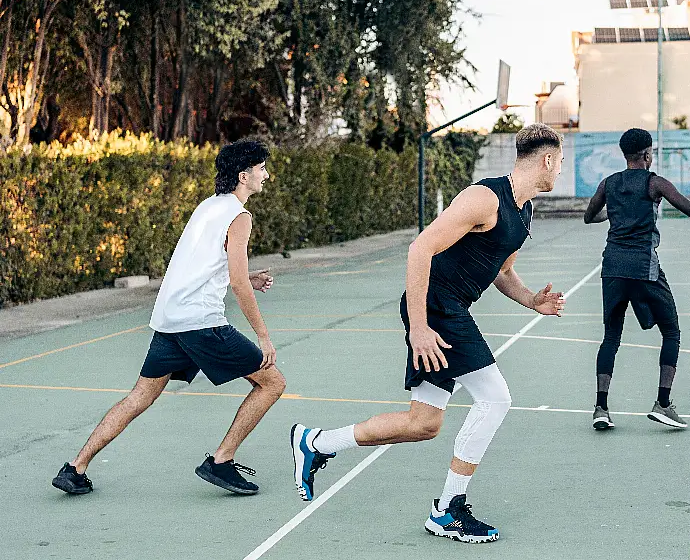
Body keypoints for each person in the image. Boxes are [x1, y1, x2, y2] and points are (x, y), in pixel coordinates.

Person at [289, 123, 565, 544]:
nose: (560, 170)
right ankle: (447, 510)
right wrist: (419, 327)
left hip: (449, 308)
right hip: (437, 307)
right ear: (547, 159)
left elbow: (502, 270)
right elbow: (421, 248)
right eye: (560, 161)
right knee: (495, 397)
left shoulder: (523, 212)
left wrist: (530, 300)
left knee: (424, 424)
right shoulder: (485, 198)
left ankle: (318, 443)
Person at [52, 140, 286, 496]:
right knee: (272, 383)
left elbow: (206, 266)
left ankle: (75, 467)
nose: (265, 175)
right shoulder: (239, 217)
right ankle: (221, 461)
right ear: (244, 175)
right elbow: (238, 282)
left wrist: (246, 278)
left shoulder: (210, 206)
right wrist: (264, 336)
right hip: (200, 323)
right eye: (261, 169)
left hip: (169, 319)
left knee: (138, 397)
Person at [584, 128, 690, 431]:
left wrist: (614, 213)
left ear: (624, 155)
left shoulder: (609, 183)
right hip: (644, 267)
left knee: (611, 337)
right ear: (647, 154)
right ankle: (662, 403)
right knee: (671, 332)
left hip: (612, 267)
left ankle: (601, 408)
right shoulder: (655, 182)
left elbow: (589, 216)